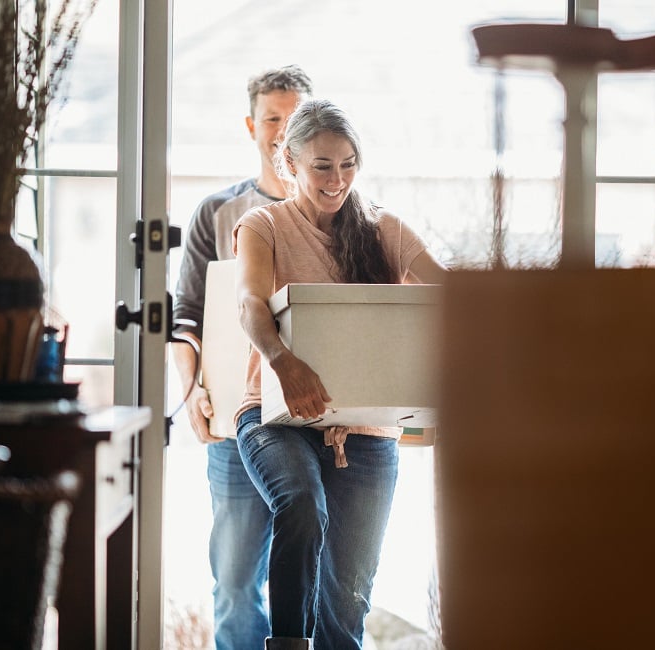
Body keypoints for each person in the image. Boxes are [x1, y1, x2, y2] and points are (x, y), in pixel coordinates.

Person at [231, 99, 448, 650]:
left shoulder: (385, 230)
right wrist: (285, 361)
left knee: (347, 602)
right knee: (301, 503)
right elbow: (249, 304)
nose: (337, 178)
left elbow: (452, 298)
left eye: (348, 163)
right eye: (322, 165)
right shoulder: (264, 225)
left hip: (368, 430)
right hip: (274, 416)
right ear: (290, 164)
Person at [171, 64, 313, 650]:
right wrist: (194, 391)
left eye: (294, 117)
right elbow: (185, 317)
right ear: (251, 125)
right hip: (234, 424)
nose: (282, 130)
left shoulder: (337, 212)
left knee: (314, 580)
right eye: (272, 118)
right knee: (234, 582)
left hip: (315, 424)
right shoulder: (216, 213)